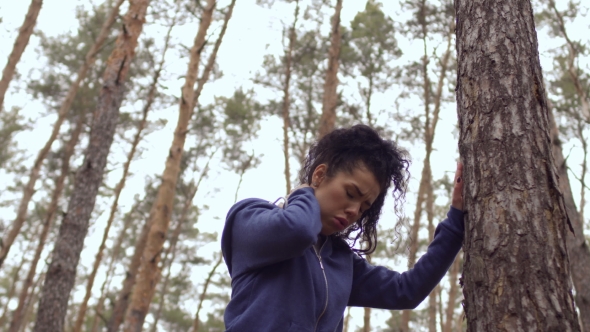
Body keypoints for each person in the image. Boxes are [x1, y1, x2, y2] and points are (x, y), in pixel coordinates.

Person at [221, 124, 464, 332]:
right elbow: (299, 230)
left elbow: (407, 290)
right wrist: (304, 192)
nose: (354, 211)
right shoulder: (249, 219)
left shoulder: (340, 261)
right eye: (350, 193)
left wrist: (457, 220)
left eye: (364, 207)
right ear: (320, 175)